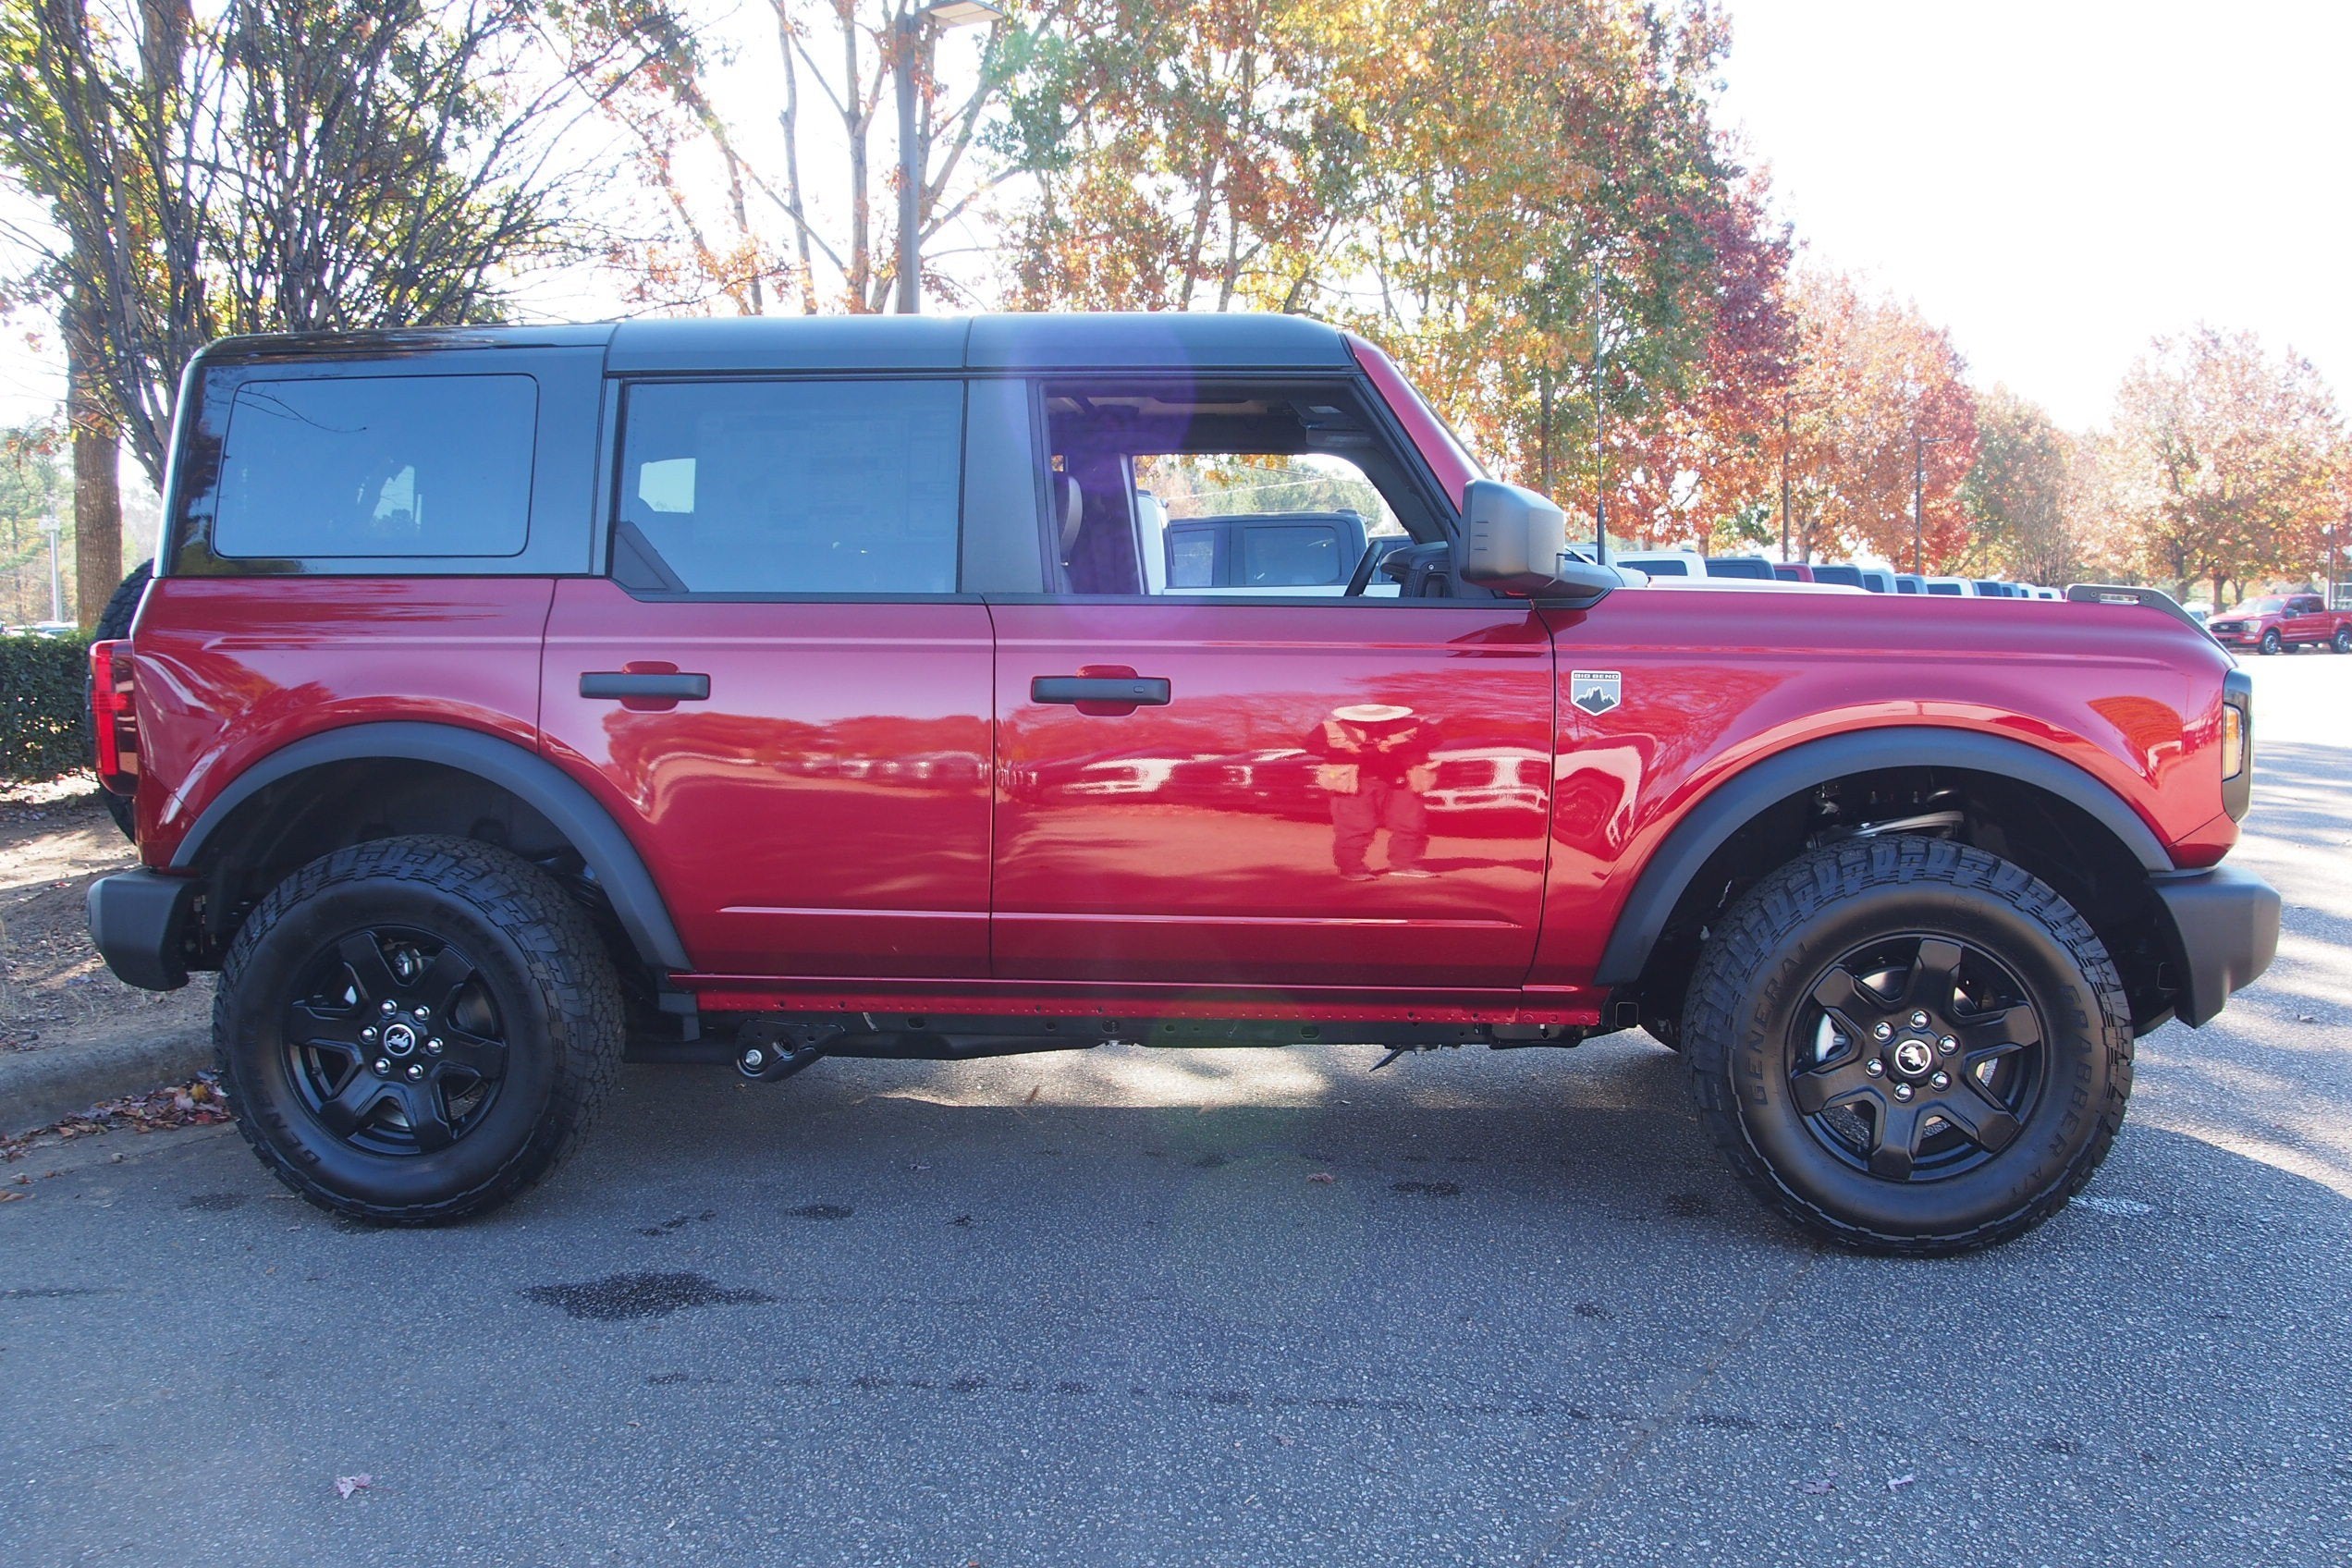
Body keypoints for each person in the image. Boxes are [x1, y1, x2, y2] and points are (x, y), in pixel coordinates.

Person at [1306, 704, 1439, 880]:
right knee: (1355, 826)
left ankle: (1406, 864)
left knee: (1411, 823)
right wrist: (1356, 752)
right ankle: (1351, 868)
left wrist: (1398, 748)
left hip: (1403, 779)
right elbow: (1312, 747)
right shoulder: (1330, 727)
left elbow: (1434, 740)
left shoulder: (1415, 725)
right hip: (1356, 781)